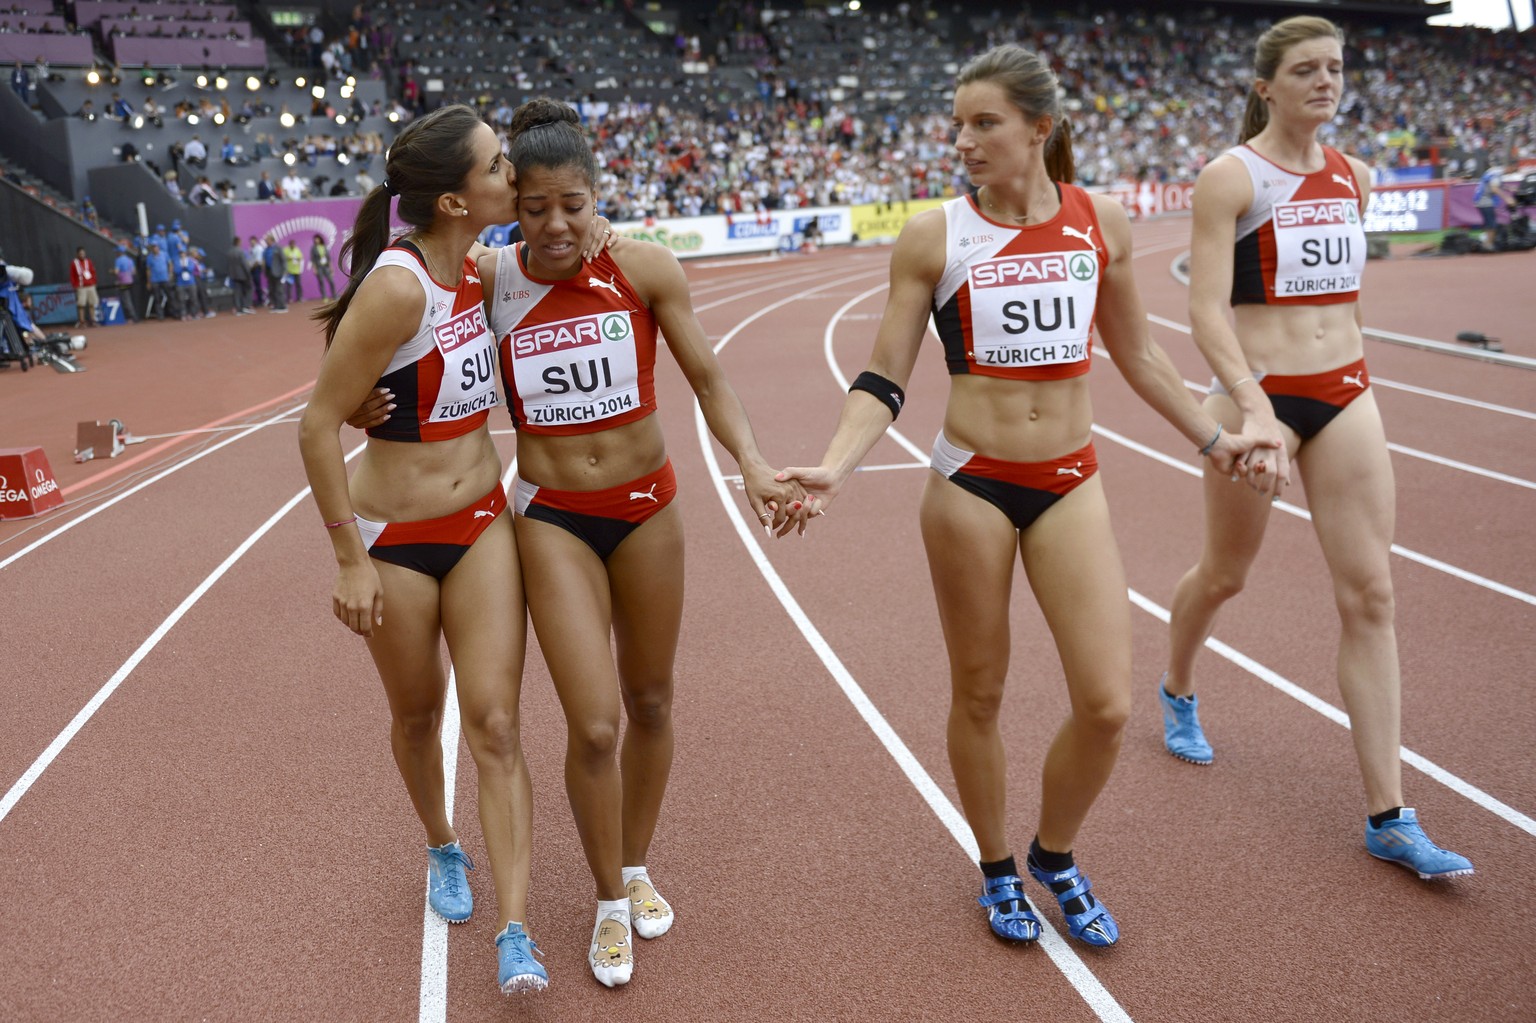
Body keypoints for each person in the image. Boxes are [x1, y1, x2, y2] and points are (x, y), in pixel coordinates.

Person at [778, 45, 1271, 949]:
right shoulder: (936, 236)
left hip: (1070, 478)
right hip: (971, 481)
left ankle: (1056, 851)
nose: (962, 140)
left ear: (1039, 128)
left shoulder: (1101, 221)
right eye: (958, 123)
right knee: (980, 691)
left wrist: (1218, 436)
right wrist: (836, 466)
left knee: (1108, 703)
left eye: (984, 123)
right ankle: (998, 868)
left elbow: (1141, 355)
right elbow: (883, 374)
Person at [301, 103, 615, 995]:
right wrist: (349, 560)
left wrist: (600, 225)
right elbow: (316, 422)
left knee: (497, 722)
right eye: (496, 168)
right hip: (393, 540)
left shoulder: (484, 268)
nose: (511, 178)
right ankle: (443, 844)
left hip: (479, 523)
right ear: (452, 200)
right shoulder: (400, 285)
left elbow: (571, 241)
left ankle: (516, 929)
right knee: (414, 715)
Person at [488, 98, 797, 987]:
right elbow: (410, 297)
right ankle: (609, 903)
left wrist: (753, 463)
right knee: (593, 723)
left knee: (652, 701)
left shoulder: (647, 268)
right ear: (514, 206)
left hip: (649, 508)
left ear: (598, 197)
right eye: (535, 206)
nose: (554, 224)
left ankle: (633, 861)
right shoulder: (492, 278)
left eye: (572, 205)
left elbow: (707, 374)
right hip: (553, 518)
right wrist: (359, 402)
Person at [1157, 16, 1473, 880]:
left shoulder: (1355, 177)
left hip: (1346, 393)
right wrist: (1256, 413)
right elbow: (1205, 311)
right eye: (1306, 70)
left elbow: (1346, 301)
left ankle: (1389, 814)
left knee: (1372, 593)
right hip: (1257, 397)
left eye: (1335, 68)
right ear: (1266, 85)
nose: (1325, 81)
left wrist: (1356, 375)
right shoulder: (1231, 178)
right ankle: (1178, 684)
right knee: (1225, 573)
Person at [1473, 163, 1513, 252]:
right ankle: (1489, 245)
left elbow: (1495, 184)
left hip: (1480, 199)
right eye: (1513, 169)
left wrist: (1509, 188)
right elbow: (1494, 188)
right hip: (1485, 201)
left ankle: (1486, 243)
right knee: (1492, 224)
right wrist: (1507, 198)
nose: (1511, 172)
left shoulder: (1494, 171)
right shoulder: (1497, 174)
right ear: (1509, 167)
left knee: (1488, 223)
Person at [69, 247, 99, 328]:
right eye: (80, 254)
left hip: (90, 285)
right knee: (81, 304)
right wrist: (75, 285)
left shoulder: (88, 261)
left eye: (83, 253)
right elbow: (72, 275)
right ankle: (82, 321)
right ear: (77, 254)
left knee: (92, 303)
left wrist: (94, 282)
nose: (82, 255)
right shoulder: (74, 263)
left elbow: (93, 272)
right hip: (81, 287)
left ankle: (93, 320)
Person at [145, 241, 173, 319]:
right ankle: (160, 315)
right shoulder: (149, 257)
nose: (155, 248)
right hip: (155, 280)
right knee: (157, 298)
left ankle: (174, 313)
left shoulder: (164, 254)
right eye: (153, 247)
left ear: (158, 247)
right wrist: (148, 282)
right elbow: (148, 270)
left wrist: (170, 274)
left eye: (156, 246)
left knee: (170, 296)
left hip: (165, 278)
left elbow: (170, 264)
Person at [112, 245, 139, 322]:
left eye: (117, 252)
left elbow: (116, 271)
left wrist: (112, 272)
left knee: (126, 300)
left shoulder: (118, 260)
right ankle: (133, 316)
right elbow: (134, 272)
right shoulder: (130, 260)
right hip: (130, 281)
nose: (116, 253)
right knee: (130, 299)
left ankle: (132, 317)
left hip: (123, 283)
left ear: (120, 252)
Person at [227, 236, 253, 314]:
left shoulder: (229, 252)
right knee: (248, 289)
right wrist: (248, 274)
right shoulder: (240, 251)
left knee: (237, 292)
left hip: (234, 275)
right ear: (238, 242)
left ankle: (239, 309)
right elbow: (244, 264)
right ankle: (245, 306)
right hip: (243, 275)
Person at [263, 239, 288, 313]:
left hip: (278, 272)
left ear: (272, 240)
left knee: (279, 289)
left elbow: (283, 260)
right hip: (270, 272)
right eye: (266, 241)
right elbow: (264, 261)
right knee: (272, 290)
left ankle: (282, 306)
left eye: (268, 241)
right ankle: (275, 305)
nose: (267, 242)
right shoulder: (266, 250)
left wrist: (284, 271)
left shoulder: (278, 248)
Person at [310, 233, 337, 300]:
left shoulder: (324, 247)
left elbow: (328, 258)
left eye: (317, 239)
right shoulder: (313, 248)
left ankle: (334, 295)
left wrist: (331, 267)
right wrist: (314, 269)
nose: (316, 240)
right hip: (319, 267)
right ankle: (324, 296)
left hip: (326, 267)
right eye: (315, 239)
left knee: (331, 281)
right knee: (321, 281)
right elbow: (312, 259)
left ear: (320, 239)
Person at [247, 235, 266, 306]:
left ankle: (260, 300)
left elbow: (258, 261)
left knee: (258, 284)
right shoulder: (250, 249)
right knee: (254, 284)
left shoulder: (259, 248)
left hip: (257, 268)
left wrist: (251, 268)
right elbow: (250, 259)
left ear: (256, 241)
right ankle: (258, 299)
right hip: (252, 268)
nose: (251, 243)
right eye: (250, 242)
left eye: (253, 242)